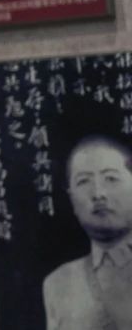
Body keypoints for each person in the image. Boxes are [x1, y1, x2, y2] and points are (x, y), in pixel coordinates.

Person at [43, 135, 132, 329]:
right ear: (71, 198)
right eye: (83, 181)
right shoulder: (58, 283)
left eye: (111, 178)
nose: (98, 193)